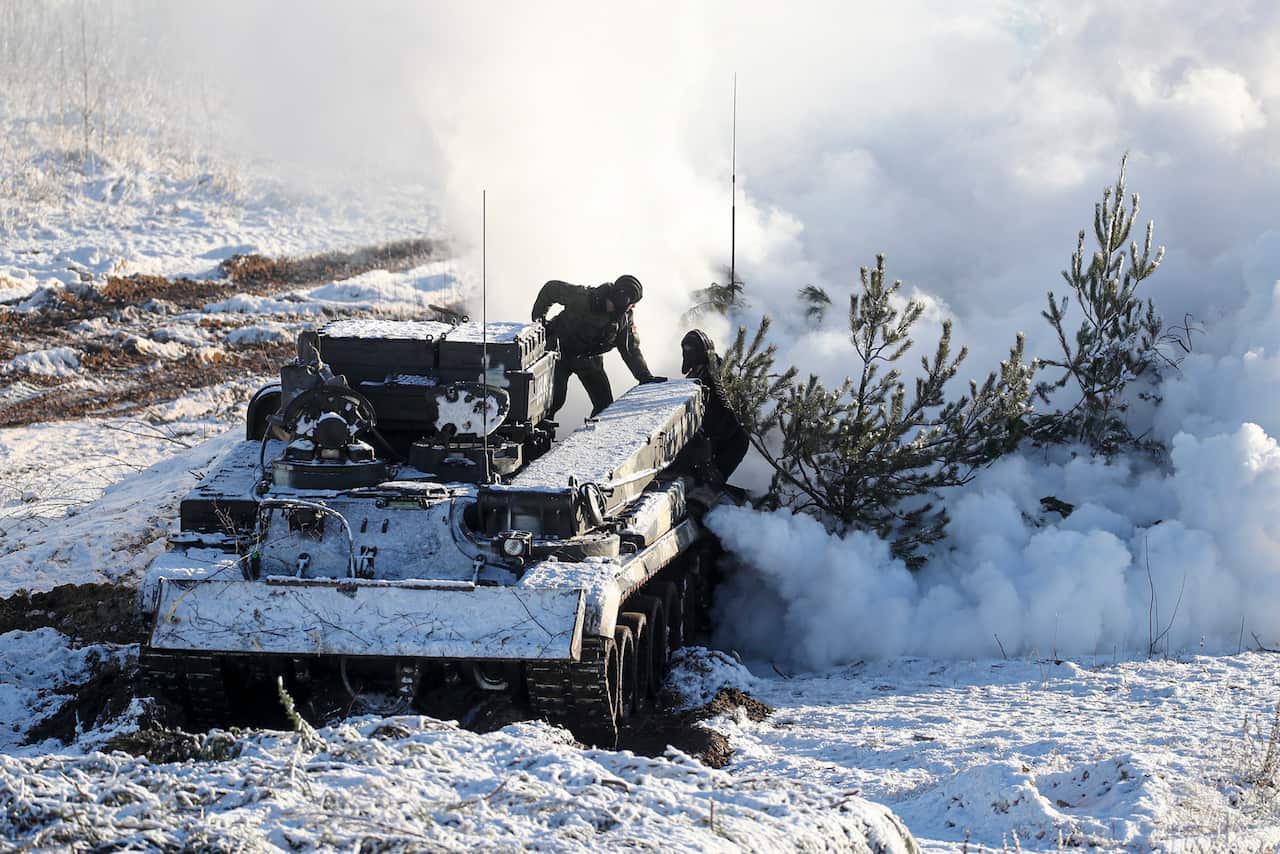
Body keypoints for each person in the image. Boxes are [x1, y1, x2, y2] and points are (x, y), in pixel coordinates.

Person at [532, 274, 666, 418]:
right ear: (620, 297)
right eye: (629, 301)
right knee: (553, 402)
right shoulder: (584, 297)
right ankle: (539, 435)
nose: (631, 306)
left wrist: (644, 376)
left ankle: (591, 435)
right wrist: (539, 321)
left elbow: (630, 349)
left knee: (604, 405)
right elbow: (551, 289)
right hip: (558, 355)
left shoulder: (623, 320)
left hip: (589, 361)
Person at [680, 329, 749, 484]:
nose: (689, 354)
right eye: (686, 350)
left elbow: (730, 413)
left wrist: (710, 439)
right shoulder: (693, 375)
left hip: (721, 436)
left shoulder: (721, 375)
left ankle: (712, 480)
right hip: (696, 436)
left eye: (693, 350)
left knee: (741, 439)